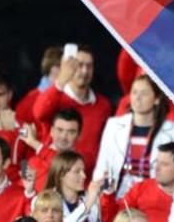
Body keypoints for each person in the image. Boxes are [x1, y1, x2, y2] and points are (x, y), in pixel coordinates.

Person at [93, 75, 174, 199]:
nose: (137, 98)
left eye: (144, 93)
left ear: (156, 99)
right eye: (134, 92)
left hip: (153, 201)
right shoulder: (113, 125)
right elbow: (101, 167)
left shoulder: (173, 130)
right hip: (117, 200)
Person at [32, 45, 113, 173]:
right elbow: (38, 113)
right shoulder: (56, 97)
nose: (85, 71)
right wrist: (61, 81)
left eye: (89, 66)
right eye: (79, 65)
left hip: (85, 179)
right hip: (53, 174)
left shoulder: (103, 105)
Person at [43, 150, 104, 222]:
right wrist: (88, 204)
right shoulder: (45, 201)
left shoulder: (89, 199)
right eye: (77, 171)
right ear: (61, 174)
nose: (84, 176)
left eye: (83, 171)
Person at [19, 109, 82, 192]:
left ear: (79, 136)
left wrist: (34, 143)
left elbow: (62, 164)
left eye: (71, 132)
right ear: (51, 131)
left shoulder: (82, 163)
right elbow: (20, 191)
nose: (64, 137)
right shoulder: (32, 160)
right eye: (60, 130)